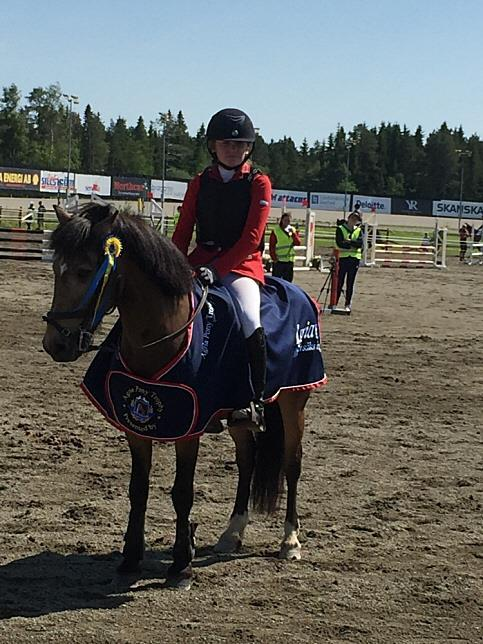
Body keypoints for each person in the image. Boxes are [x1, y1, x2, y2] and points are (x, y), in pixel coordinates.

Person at [172, 108, 271, 430]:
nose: (232, 149)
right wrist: (173, 265)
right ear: (213, 146)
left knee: (247, 317)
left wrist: (218, 268)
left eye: (239, 144)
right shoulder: (199, 183)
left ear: (249, 148)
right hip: (200, 260)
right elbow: (184, 229)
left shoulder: (259, 183)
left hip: (241, 265)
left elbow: (252, 238)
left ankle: (254, 400)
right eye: (225, 143)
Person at [335, 210, 363, 312]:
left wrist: (350, 242)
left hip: (354, 259)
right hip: (343, 258)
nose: (354, 221)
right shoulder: (341, 229)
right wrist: (351, 245)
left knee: (350, 283)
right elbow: (340, 243)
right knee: (339, 281)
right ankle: (335, 302)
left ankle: (347, 304)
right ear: (349, 218)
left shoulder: (359, 230)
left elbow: (360, 243)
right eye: (352, 218)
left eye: (356, 219)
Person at [269, 212, 301, 282]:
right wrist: (274, 258)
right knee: (277, 282)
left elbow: (298, 243)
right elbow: (272, 246)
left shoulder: (292, 230)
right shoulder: (276, 231)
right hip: (279, 261)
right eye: (285, 220)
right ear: (282, 220)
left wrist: (293, 234)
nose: (287, 222)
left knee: (288, 282)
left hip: (289, 261)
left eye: (289, 221)